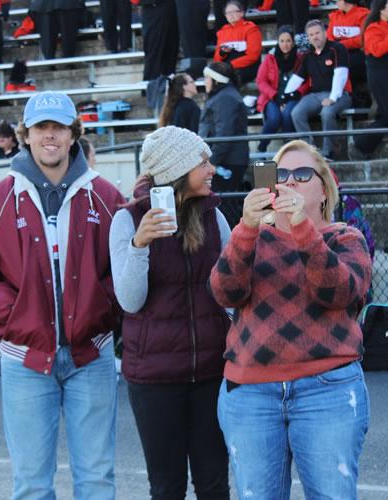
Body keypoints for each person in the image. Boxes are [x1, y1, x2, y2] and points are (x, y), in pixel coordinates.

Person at [0, 91, 124, 499]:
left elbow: (127, 265)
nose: (51, 136)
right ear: (26, 135)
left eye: (59, 128)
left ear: (72, 134)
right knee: (31, 484)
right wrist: (17, 319)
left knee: (97, 480)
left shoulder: (106, 195)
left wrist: (100, 308)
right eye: (42, 128)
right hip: (25, 359)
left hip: (91, 355)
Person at [210, 139, 372, 500]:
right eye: (281, 174)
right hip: (251, 393)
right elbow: (224, 291)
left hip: (327, 390)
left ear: (324, 190)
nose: (290, 181)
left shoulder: (345, 237)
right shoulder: (252, 237)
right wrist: (247, 227)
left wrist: (301, 227)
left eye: (302, 174)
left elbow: (340, 293)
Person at [109, 125, 231, 500]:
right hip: (155, 379)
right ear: (178, 169)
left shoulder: (215, 217)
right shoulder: (127, 220)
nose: (212, 169)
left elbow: (231, 292)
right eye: (203, 162)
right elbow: (130, 301)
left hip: (212, 372)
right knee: (166, 486)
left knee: (214, 484)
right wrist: (139, 245)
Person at [287, 19, 352, 160]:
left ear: (324, 33)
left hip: (341, 94)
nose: (315, 37)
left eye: (317, 33)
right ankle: (310, 153)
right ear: (308, 38)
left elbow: (340, 75)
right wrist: (284, 97)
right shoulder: (307, 55)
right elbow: (297, 78)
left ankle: (330, 152)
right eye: (311, 35)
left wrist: (333, 98)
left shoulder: (337, 48)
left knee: (327, 113)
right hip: (315, 95)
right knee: (296, 113)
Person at [354, 0, 388, 156]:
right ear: (381, 9)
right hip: (380, 79)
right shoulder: (373, 28)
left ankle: (362, 144)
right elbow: (377, 50)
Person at [255, 25, 310, 152]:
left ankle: (288, 148)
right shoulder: (270, 58)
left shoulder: (301, 58)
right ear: (278, 42)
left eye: (288, 41)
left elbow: (307, 81)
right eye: (282, 41)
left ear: (293, 42)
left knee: (287, 115)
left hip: (293, 96)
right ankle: (261, 147)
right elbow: (261, 81)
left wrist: (296, 93)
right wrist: (275, 95)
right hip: (272, 97)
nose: (285, 44)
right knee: (274, 118)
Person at [199, 62, 249, 192]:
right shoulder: (223, 95)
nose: (205, 82)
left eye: (207, 78)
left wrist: (212, 161)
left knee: (225, 207)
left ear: (216, 80)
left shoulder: (225, 97)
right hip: (225, 160)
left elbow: (224, 133)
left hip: (227, 161)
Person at [327, 0, 371, 107]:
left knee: (353, 64)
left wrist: (340, 44)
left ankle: (359, 102)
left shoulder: (364, 14)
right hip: (338, 52)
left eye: (338, 0)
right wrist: (339, 46)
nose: (336, 2)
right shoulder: (335, 16)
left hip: (357, 53)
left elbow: (362, 39)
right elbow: (329, 38)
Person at [213, 0, 263, 86]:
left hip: (246, 67)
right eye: (228, 13)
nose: (231, 15)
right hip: (228, 67)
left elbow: (253, 56)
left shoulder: (251, 29)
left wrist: (230, 65)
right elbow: (216, 58)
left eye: (234, 11)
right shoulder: (222, 31)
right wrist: (222, 53)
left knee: (231, 77)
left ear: (242, 13)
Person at [137, 0, 179, 81]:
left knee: (171, 52)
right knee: (154, 54)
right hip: (152, 8)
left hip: (171, 7)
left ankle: (169, 88)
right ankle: (151, 89)